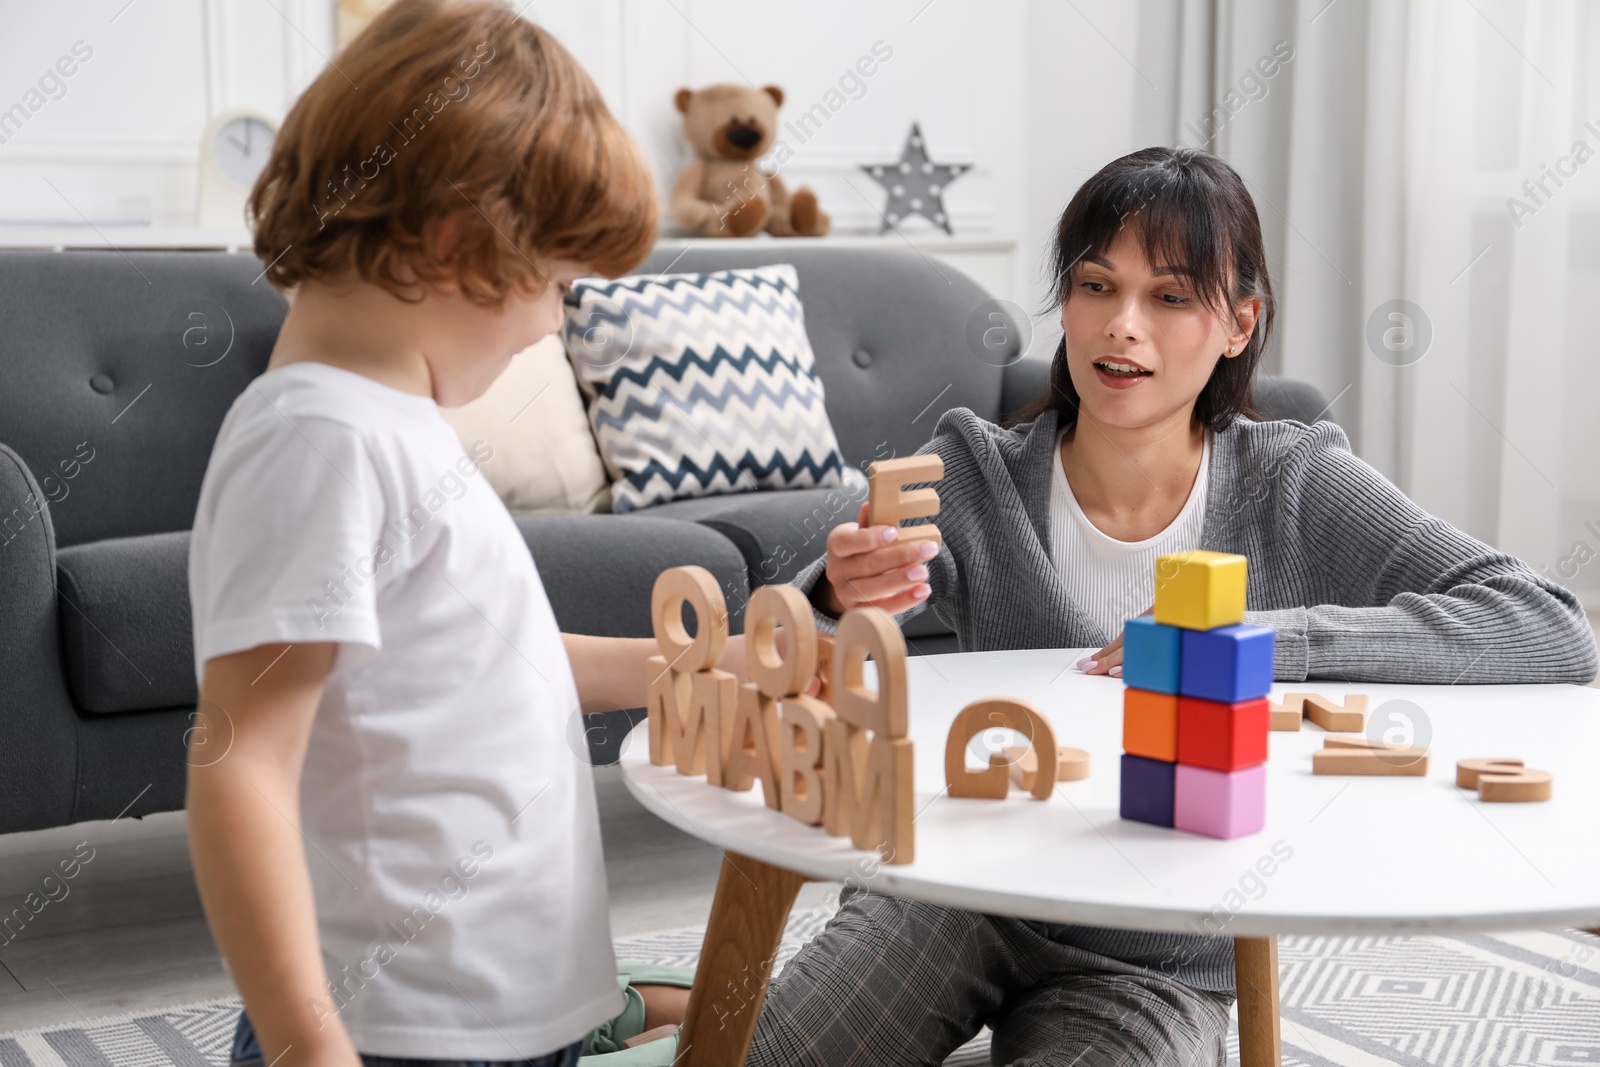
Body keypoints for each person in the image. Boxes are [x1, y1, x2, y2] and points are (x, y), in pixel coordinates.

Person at [747, 145, 1598, 1066]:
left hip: (1155, 958)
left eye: (1171, 297)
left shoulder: (1294, 480)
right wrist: (834, 593)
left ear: (1239, 324)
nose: (1122, 327)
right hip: (955, 891)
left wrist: (1263, 641)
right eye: (1096, 286)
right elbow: (796, 656)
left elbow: (1548, 622)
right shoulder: (977, 472)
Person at [186, 4, 694, 1065]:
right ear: (462, 249)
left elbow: (469, 669)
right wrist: (307, 1047)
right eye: (557, 286)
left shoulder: (394, 427)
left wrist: (684, 667)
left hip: (504, 1015)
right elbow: (242, 766)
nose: (556, 321)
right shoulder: (319, 438)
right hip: (408, 1034)